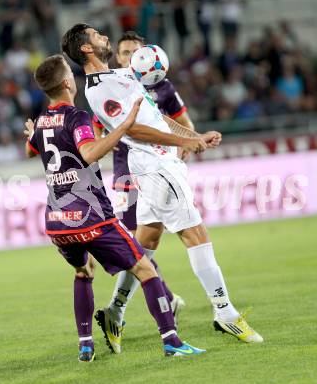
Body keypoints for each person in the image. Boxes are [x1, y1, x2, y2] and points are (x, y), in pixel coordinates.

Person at [61, 24, 263, 354]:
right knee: (195, 234)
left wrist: (190, 136)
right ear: (85, 48)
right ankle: (225, 312)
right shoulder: (98, 90)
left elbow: (155, 117)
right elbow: (138, 131)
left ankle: (114, 312)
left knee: (146, 242)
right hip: (156, 167)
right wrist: (187, 139)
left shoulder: (121, 76)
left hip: (159, 165)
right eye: (97, 36)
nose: (104, 38)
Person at [24, 54, 206, 361]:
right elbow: (90, 152)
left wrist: (33, 136)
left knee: (84, 271)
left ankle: (85, 343)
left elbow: (31, 150)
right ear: (68, 82)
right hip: (90, 217)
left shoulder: (42, 120)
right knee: (145, 269)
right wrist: (124, 127)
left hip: (57, 220)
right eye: (71, 72)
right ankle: (172, 341)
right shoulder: (77, 117)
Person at [93, 31, 194, 338]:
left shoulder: (163, 88)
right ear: (119, 57)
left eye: (136, 51)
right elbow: (99, 135)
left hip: (156, 176)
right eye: (124, 52)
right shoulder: (114, 87)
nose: (130, 57)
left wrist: (175, 160)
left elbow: (187, 128)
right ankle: (162, 297)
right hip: (126, 178)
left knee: (141, 245)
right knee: (136, 246)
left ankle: (139, 305)